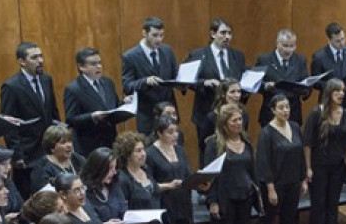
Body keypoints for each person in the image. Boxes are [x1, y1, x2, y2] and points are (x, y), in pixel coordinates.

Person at [203, 104, 255, 224]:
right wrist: (213, 201)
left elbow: (251, 170)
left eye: (240, 119)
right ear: (224, 124)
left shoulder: (246, 141)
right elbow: (209, 176)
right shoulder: (214, 144)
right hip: (224, 197)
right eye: (234, 120)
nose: (239, 123)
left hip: (244, 195)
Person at [303, 79, 346, 224]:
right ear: (329, 93)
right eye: (337, 91)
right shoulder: (316, 113)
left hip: (337, 167)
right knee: (318, 206)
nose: (341, 94)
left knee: (333, 206)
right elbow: (308, 143)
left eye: (343, 90)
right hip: (319, 166)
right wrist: (308, 168)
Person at [255, 92, 308, 224]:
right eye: (281, 108)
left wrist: (303, 180)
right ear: (272, 110)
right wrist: (270, 188)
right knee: (267, 222)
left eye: (287, 107)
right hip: (275, 185)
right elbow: (264, 162)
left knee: (290, 219)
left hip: (293, 181)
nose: (285, 111)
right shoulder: (266, 133)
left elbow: (300, 155)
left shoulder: (294, 127)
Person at [0, 41, 60, 197]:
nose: (40, 60)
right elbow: (9, 125)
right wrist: (17, 155)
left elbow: (53, 112)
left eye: (41, 56)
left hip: (48, 150)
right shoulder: (11, 86)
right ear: (22, 61)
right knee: (31, 198)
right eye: (34, 57)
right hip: (27, 154)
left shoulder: (46, 79)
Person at [189, 18, 246, 147]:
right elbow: (188, 82)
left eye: (230, 33)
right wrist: (204, 82)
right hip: (206, 111)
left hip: (232, 113)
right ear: (213, 34)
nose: (227, 37)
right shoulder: (198, 54)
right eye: (223, 33)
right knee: (208, 150)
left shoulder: (238, 56)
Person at [121, 16, 180, 136]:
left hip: (169, 114)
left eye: (162, 35)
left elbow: (176, 76)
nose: (159, 39)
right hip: (148, 117)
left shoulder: (167, 51)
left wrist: (182, 84)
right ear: (144, 33)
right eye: (155, 35)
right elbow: (127, 87)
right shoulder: (130, 56)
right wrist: (145, 81)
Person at [63, 47, 122, 156]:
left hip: (110, 141)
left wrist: (126, 104)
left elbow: (114, 107)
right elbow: (71, 119)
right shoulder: (73, 89)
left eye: (100, 63)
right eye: (94, 64)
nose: (99, 66)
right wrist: (92, 117)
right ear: (81, 67)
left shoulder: (108, 83)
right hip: (89, 146)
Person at [311, 23, 346, 131]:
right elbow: (315, 82)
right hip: (329, 104)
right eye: (338, 41)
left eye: (343, 39)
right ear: (329, 39)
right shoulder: (319, 57)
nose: (342, 43)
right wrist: (332, 86)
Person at [255, 28, 309, 127]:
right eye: (285, 46)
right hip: (271, 113)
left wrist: (305, 90)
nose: (288, 50)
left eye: (292, 46)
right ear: (277, 43)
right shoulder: (264, 60)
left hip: (293, 114)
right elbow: (256, 83)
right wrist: (266, 85)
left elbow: (306, 82)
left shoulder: (300, 60)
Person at [30, 124, 86, 191]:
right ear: (52, 147)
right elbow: (44, 195)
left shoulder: (77, 159)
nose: (69, 145)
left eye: (70, 141)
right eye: (63, 142)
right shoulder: (41, 168)